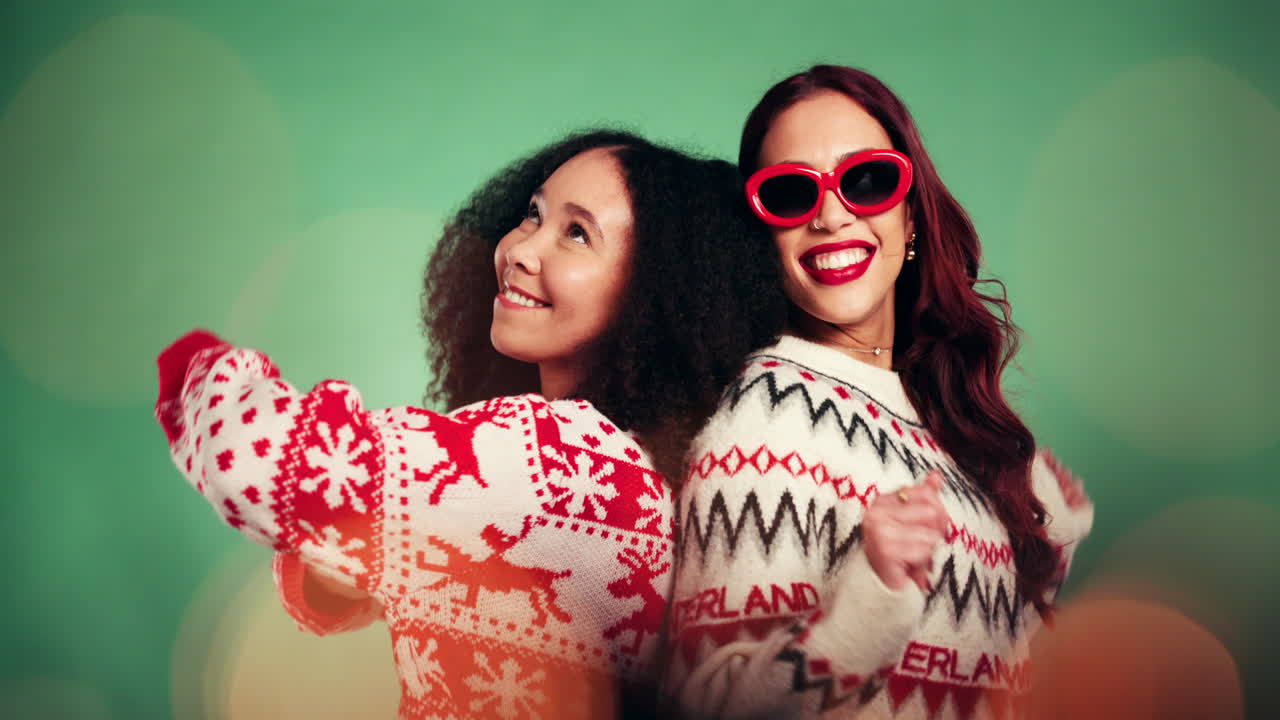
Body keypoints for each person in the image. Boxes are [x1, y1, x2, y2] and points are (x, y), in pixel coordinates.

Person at [154, 129, 787, 720]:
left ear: (653, 295)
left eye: (576, 236)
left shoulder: (553, 458)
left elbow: (257, 459)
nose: (521, 250)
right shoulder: (654, 478)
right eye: (534, 214)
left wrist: (194, 364)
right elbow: (369, 571)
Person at [663, 66, 1094, 720]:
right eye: (789, 195)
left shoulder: (933, 420)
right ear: (763, 238)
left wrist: (1047, 546)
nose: (832, 216)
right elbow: (706, 705)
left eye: (867, 180)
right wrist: (869, 601)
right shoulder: (765, 417)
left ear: (912, 215)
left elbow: (972, 674)